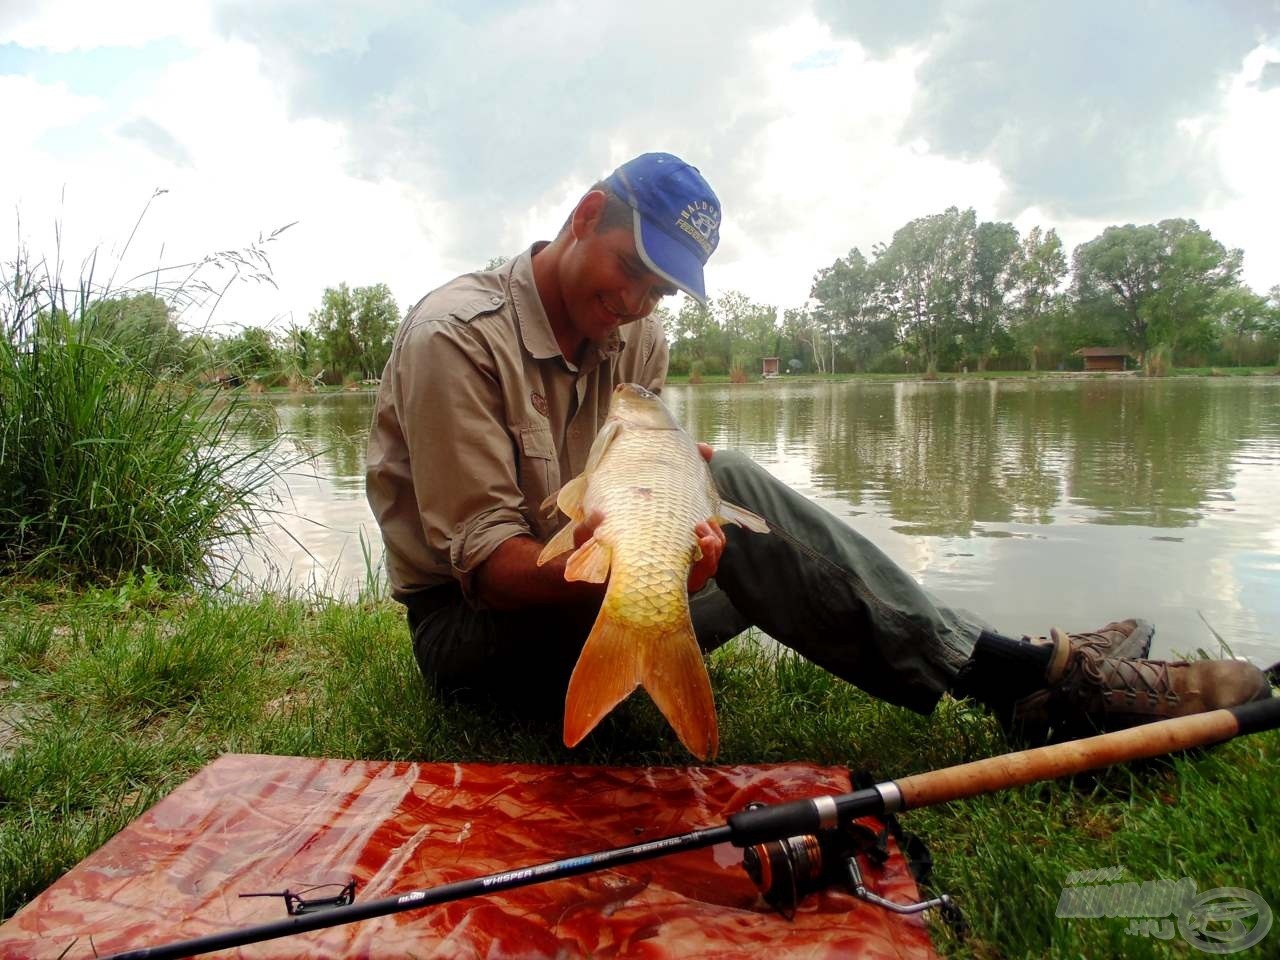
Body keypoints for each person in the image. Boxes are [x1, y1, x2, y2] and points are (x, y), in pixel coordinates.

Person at [366, 152, 1271, 748]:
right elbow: (484, 566)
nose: (640, 303)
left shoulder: (636, 342)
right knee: (754, 504)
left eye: (663, 291)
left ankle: (1016, 664)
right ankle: (1029, 677)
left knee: (728, 502)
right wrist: (623, 569)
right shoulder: (456, 335)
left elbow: (639, 478)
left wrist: (679, 524)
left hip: (612, 601)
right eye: (631, 270)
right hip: (477, 638)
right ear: (585, 213)